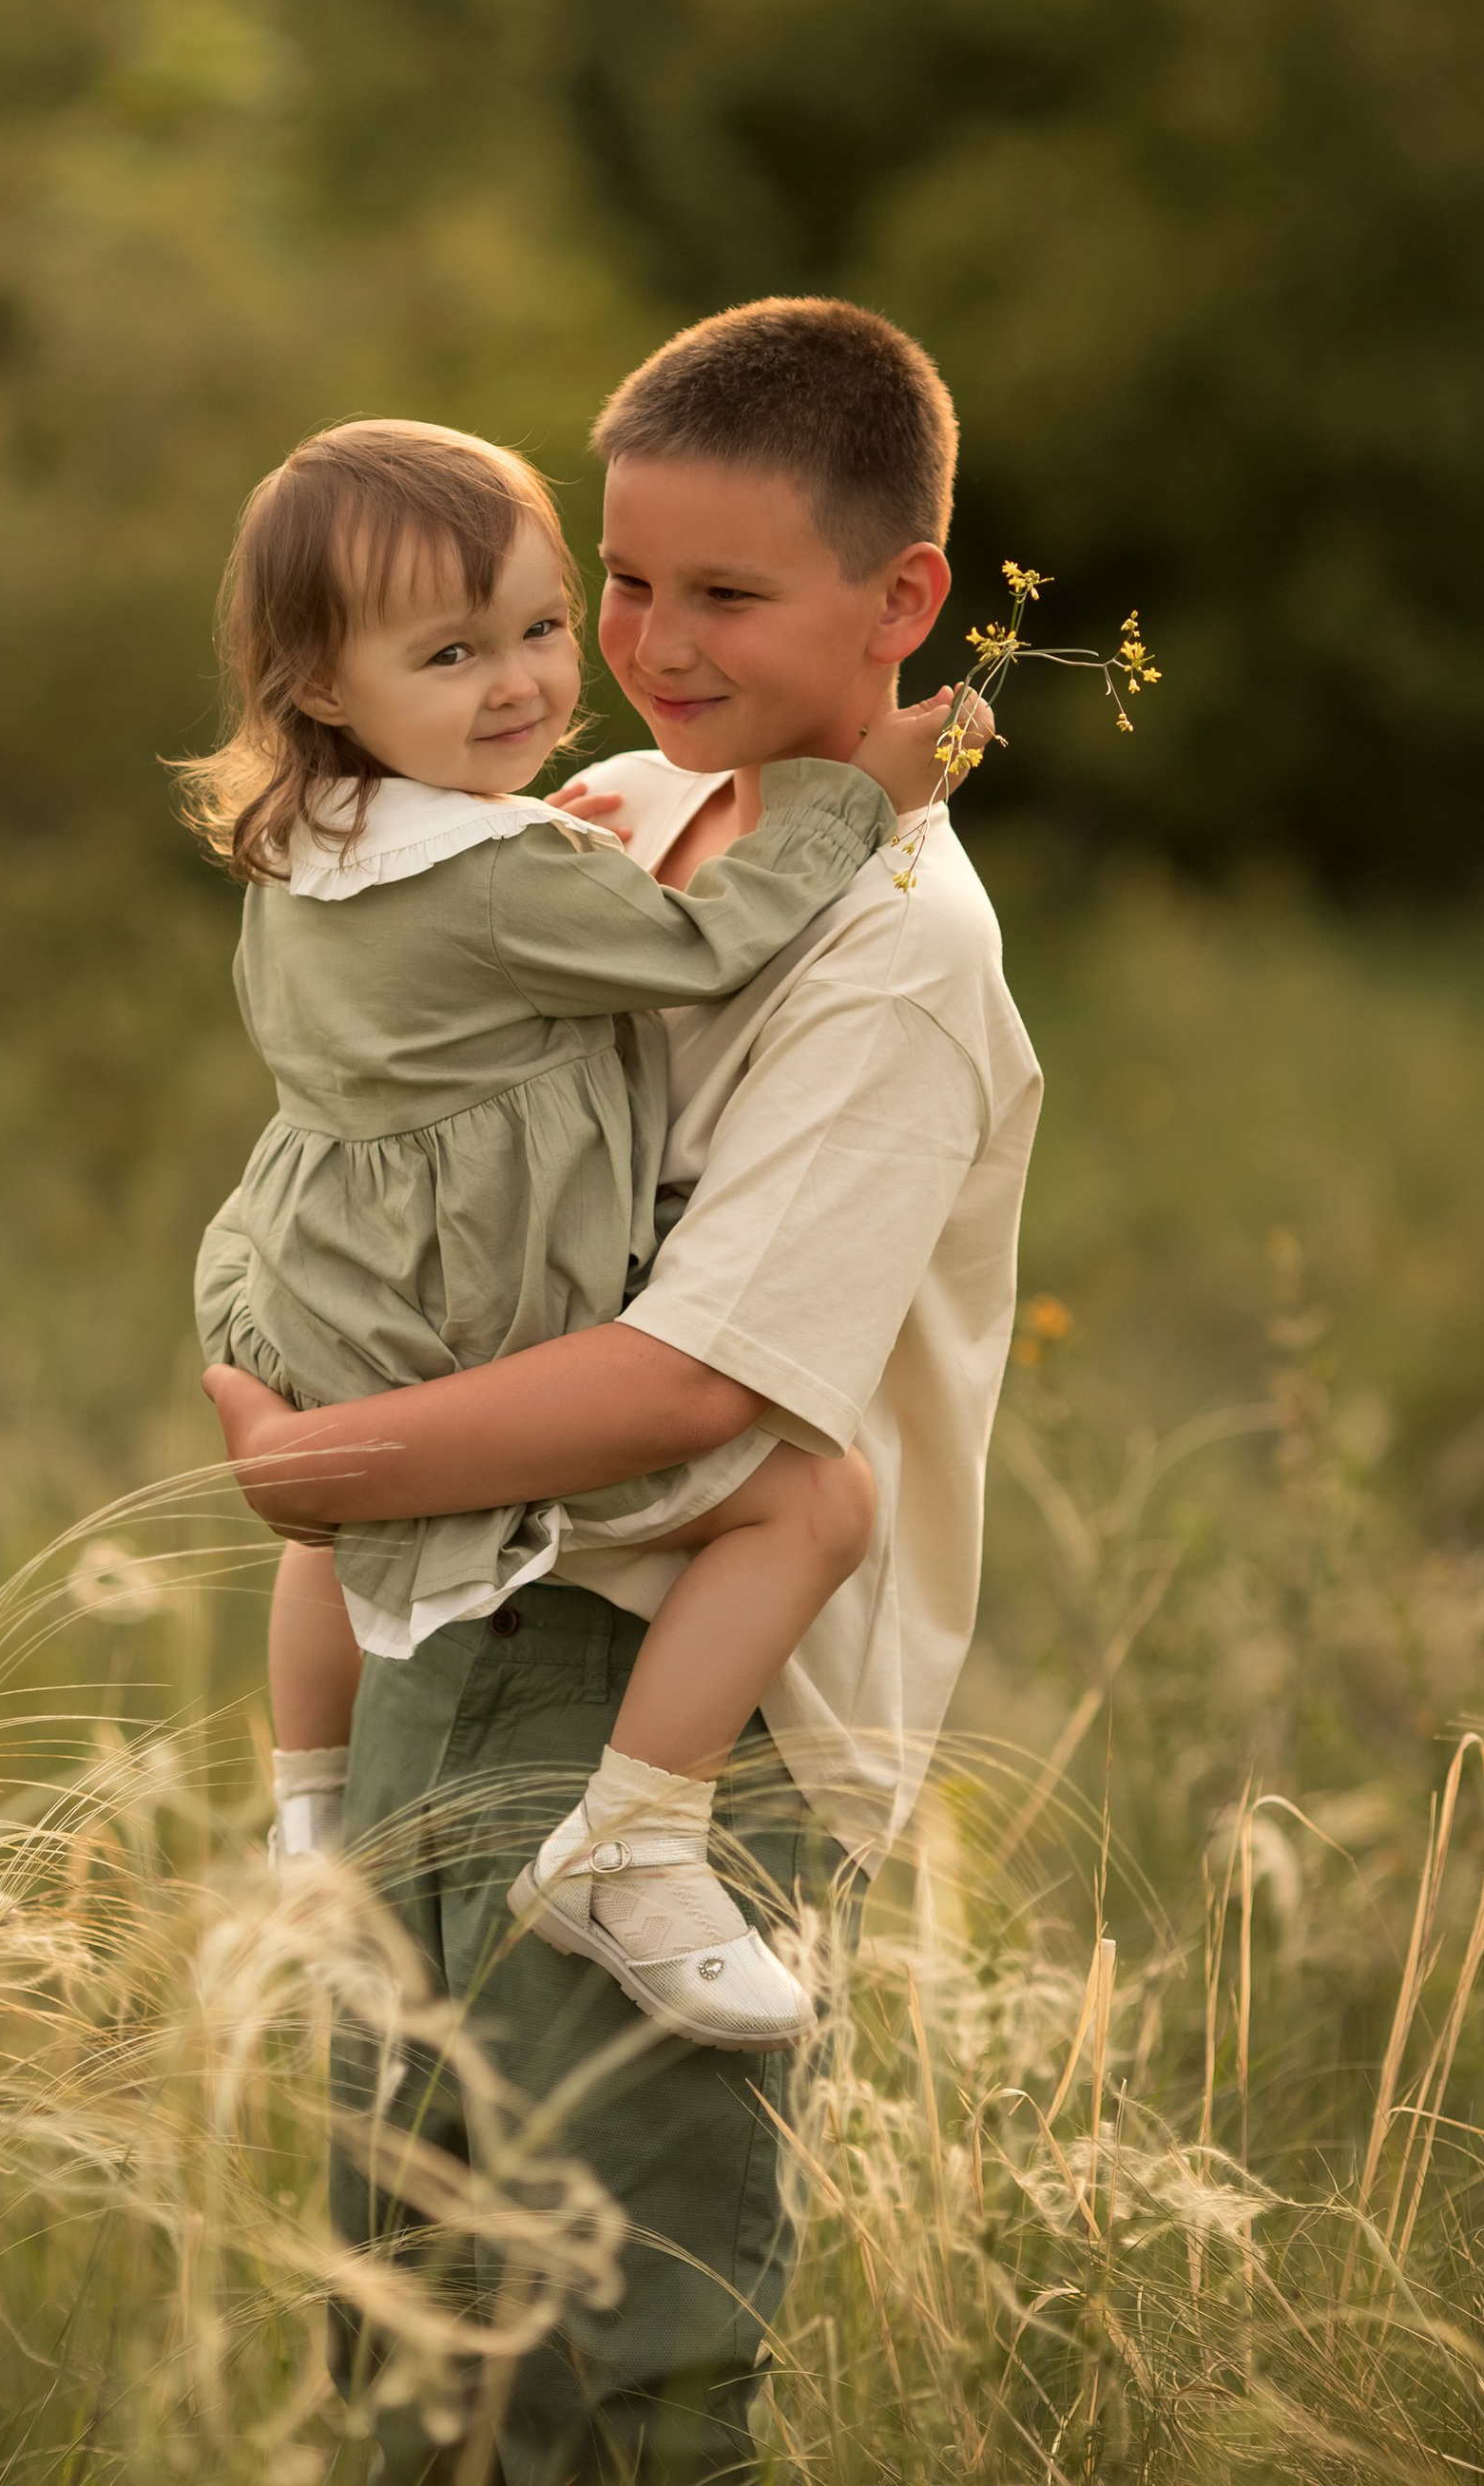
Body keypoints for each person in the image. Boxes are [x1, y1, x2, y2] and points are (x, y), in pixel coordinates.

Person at [203, 298, 1043, 2486]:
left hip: (657, 1691)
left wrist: (307, 1458)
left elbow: (689, 1389)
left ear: (904, 599)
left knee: (609, 2368)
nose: (649, 648)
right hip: (437, 1622)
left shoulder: (891, 969)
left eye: (721, 598)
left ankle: (626, 1867)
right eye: (631, 584)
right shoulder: (603, 801)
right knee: (401, 2332)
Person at [183, 415, 978, 2048]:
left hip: (313, 1277)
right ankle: (632, 1842)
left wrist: (305, 1468)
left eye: (541, 628)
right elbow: (699, 957)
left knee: (429, 2238)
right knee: (815, 1502)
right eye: (460, 649)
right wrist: (849, 808)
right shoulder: (562, 836)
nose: (537, 680)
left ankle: (304, 1815)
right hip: (473, 1345)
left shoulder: (324, 836)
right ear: (325, 686)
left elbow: (459, 974)